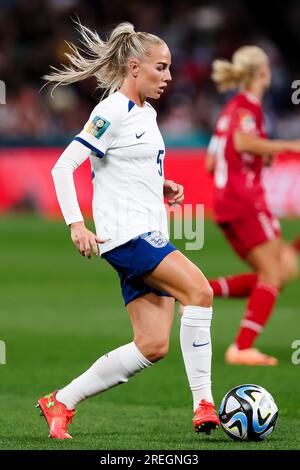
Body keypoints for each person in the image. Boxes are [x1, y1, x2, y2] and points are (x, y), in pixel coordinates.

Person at [36, 21, 220, 440]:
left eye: (169, 68)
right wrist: (76, 224)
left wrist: (162, 183)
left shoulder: (147, 114)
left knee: (153, 344)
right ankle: (204, 402)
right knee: (201, 292)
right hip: (128, 237)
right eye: (161, 67)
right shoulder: (111, 111)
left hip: (147, 232)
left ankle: (61, 401)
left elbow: (125, 165)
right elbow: (63, 167)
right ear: (134, 67)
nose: (169, 76)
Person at [205, 46, 300, 366]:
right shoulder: (247, 107)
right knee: (274, 272)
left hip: (229, 201)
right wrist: (287, 146)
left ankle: (202, 289)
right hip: (244, 200)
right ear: (263, 73)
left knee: (279, 270)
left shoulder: (230, 109)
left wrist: (261, 154)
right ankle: (242, 347)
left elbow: (209, 162)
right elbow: (242, 143)